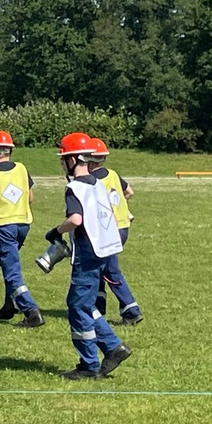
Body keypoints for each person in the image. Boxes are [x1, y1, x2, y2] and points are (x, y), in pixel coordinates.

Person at [44, 132, 132, 379]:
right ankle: (114, 348)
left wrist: (55, 231)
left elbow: (75, 219)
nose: (62, 164)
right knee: (84, 303)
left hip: (87, 252)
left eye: (63, 160)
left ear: (72, 160)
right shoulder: (98, 183)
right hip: (105, 250)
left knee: (77, 306)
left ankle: (89, 364)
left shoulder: (74, 188)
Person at [0, 130, 43, 328]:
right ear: (10, 150)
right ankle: (9, 305)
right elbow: (30, 197)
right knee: (10, 263)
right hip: (24, 223)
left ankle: (31, 311)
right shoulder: (21, 169)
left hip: (4, 224)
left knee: (11, 270)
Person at [89, 138, 143, 325]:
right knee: (98, 265)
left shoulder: (93, 180)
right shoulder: (112, 174)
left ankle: (131, 310)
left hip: (108, 230)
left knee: (111, 270)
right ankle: (98, 302)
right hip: (123, 227)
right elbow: (129, 192)